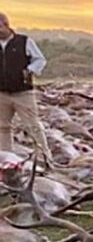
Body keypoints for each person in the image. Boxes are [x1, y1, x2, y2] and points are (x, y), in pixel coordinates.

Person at [0, 12, 51, 158]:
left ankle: (44, 159)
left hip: (23, 93)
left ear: (6, 25)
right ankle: (6, 160)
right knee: (3, 128)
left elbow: (40, 60)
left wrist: (29, 70)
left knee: (33, 126)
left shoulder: (24, 41)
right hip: (2, 93)